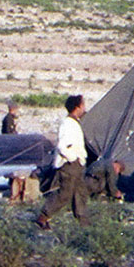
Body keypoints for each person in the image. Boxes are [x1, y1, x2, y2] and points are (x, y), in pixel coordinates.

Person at [36, 95, 89, 229]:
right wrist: (72, 158)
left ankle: (83, 222)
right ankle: (43, 216)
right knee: (65, 194)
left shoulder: (74, 122)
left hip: (77, 164)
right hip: (70, 164)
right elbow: (62, 146)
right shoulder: (68, 124)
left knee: (80, 193)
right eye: (83, 105)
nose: (84, 108)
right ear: (77, 107)